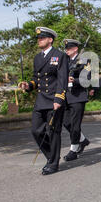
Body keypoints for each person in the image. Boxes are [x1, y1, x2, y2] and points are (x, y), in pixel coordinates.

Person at [19, 27, 68, 176]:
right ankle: (51, 156)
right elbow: (36, 79)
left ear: (50, 39)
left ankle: (53, 163)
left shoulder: (59, 56)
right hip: (41, 100)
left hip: (54, 99)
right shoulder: (37, 58)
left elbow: (62, 79)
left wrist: (59, 98)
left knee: (53, 132)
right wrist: (29, 85)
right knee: (36, 130)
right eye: (38, 38)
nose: (39, 40)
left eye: (42, 38)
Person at [62, 39, 92, 162]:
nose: (66, 51)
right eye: (65, 48)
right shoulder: (65, 61)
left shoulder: (84, 61)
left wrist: (75, 81)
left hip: (78, 96)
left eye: (68, 48)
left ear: (75, 49)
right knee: (66, 122)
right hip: (66, 96)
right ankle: (83, 140)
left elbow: (87, 80)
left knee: (75, 125)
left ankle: (73, 150)